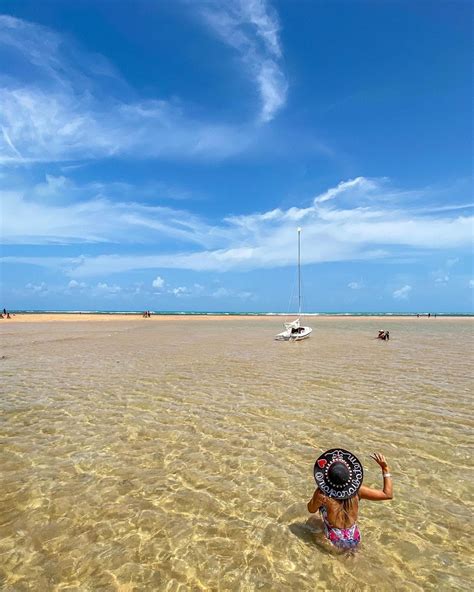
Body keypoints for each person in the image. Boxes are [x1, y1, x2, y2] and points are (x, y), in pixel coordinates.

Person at [307, 448, 393, 550]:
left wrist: (317, 501)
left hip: (333, 538)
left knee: (312, 520)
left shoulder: (323, 493)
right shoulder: (357, 491)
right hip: (354, 536)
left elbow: (311, 509)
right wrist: (385, 468)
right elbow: (387, 494)